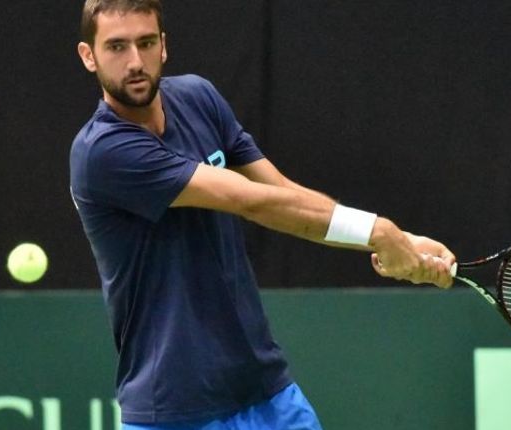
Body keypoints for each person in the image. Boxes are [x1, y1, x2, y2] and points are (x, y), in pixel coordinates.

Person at [70, 1, 456, 428]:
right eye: (117, 47)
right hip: (174, 410)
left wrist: (400, 240)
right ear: (89, 56)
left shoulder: (198, 97)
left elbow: (283, 194)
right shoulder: (103, 153)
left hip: (267, 391)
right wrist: (378, 231)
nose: (135, 62)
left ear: (164, 45)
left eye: (146, 43)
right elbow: (252, 201)